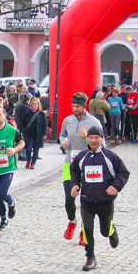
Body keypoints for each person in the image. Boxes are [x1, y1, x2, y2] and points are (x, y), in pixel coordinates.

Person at [69, 127, 129, 271]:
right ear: (87, 139)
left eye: (97, 138)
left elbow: (123, 172)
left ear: (102, 139)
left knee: (104, 230)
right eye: (91, 138)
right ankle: (90, 257)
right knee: (87, 229)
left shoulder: (110, 156)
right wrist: (75, 185)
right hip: (86, 200)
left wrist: (116, 186)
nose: (94, 141)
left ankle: (111, 232)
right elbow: (74, 171)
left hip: (105, 200)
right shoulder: (82, 156)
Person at [60, 93, 101, 241]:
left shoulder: (94, 122)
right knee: (69, 198)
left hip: (88, 165)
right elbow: (62, 135)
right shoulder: (67, 120)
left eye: (78, 106)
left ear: (84, 107)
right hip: (70, 164)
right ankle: (72, 222)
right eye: (73, 106)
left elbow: (102, 145)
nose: (75, 109)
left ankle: (85, 231)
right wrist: (64, 142)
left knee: (86, 200)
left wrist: (88, 139)